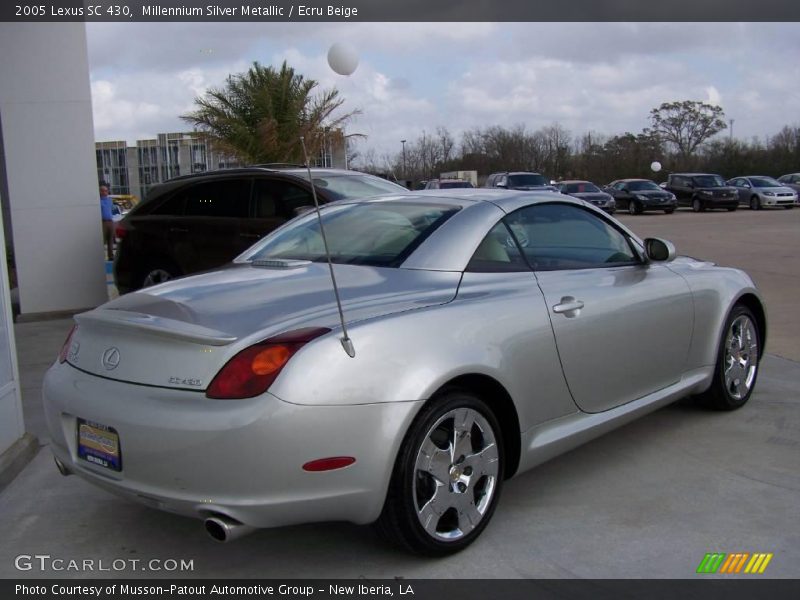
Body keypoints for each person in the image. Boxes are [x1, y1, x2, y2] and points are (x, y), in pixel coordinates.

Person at [99, 185, 114, 260]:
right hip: (103, 222)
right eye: (104, 191)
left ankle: (111, 256)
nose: (106, 192)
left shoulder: (110, 200)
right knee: (103, 240)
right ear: (100, 192)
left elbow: (112, 209)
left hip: (110, 221)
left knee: (110, 240)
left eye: (106, 190)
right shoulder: (99, 201)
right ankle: (101, 256)